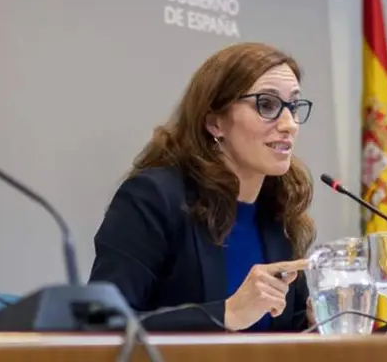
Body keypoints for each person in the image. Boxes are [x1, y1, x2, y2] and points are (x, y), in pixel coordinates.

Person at [89, 42, 317, 333]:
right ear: (214, 122)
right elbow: (100, 321)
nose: (290, 124)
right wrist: (226, 314)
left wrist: (315, 325)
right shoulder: (153, 198)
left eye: (294, 106)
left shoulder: (279, 209)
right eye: (267, 104)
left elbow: (277, 330)